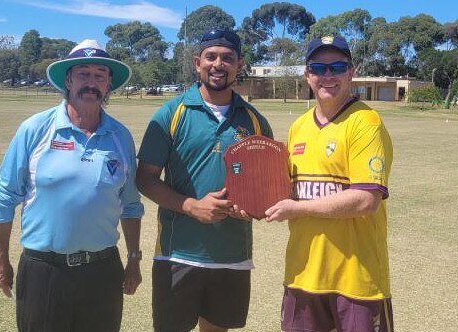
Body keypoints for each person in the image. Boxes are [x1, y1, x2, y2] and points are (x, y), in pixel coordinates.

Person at [0, 39, 144, 332]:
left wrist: (134, 260)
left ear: (108, 84)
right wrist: (0, 262)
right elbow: (4, 198)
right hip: (44, 271)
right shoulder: (35, 129)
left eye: (100, 75)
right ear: (68, 79)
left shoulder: (120, 136)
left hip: (102, 271)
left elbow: (131, 204)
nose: (91, 82)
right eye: (83, 74)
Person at [135, 29, 273, 332]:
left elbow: (264, 187)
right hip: (178, 253)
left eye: (228, 58)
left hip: (231, 255)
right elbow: (144, 178)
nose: (218, 64)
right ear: (198, 62)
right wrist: (191, 206)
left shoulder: (254, 121)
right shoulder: (171, 113)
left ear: (240, 64)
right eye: (211, 57)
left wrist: (251, 208)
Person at [265, 36, 394, 332]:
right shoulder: (299, 126)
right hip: (302, 274)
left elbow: (366, 200)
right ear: (307, 74)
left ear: (351, 71)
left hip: (356, 280)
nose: (328, 75)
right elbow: (281, 191)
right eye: (318, 68)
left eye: (337, 66)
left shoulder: (365, 123)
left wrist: (297, 209)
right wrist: (247, 201)